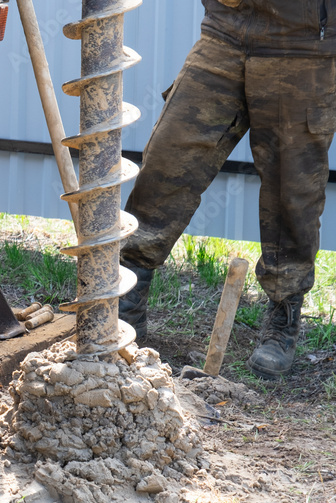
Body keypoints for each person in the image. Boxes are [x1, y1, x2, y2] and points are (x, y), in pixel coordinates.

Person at [119, 0, 336, 380]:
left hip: (303, 45)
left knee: (293, 188)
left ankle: (284, 315)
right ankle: (129, 290)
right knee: (169, 159)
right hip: (226, 29)